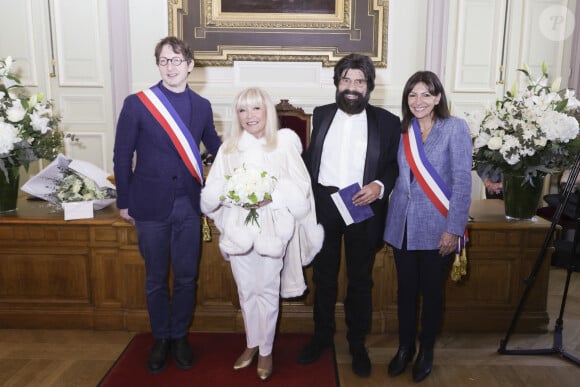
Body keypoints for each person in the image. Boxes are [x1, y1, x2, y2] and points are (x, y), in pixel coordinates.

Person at [113, 36, 221, 374]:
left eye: (176, 60)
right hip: (149, 207)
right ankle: (161, 337)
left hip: (189, 206)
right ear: (158, 65)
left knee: (187, 277)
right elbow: (121, 155)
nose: (170, 67)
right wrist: (124, 201)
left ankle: (179, 336)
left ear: (190, 65)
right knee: (156, 278)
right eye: (164, 61)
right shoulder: (138, 103)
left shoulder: (202, 106)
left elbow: (217, 147)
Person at [200, 87, 324, 381]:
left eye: (256, 108)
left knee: (267, 292)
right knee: (246, 291)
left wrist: (273, 197)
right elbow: (214, 189)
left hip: (272, 232)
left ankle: (266, 350)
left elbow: (301, 189)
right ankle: (251, 344)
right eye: (243, 110)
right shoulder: (229, 148)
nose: (249, 116)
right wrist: (236, 196)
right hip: (239, 231)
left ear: (267, 111)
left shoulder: (283, 145)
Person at [298, 53, 400, 377]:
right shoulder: (322, 114)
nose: (352, 87)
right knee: (323, 277)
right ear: (337, 83)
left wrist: (379, 186)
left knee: (360, 280)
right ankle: (321, 337)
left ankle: (357, 344)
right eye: (346, 80)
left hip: (361, 204)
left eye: (359, 81)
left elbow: (393, 166)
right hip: (325, 203)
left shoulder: (387, 122)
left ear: (369, 86)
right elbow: (308, 158)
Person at [384, 70, 472, 382]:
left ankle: (426, 350)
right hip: (402, 226)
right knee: (406, 292)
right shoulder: (403, 130)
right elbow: (397, 177)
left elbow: (462, 182)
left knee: (432, 294)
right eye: (412, 95)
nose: (418, 101)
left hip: (438, 226)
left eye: (425, 94)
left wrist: (454, 228)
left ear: (437, 98)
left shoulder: (455, 128)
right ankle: (405, 348)